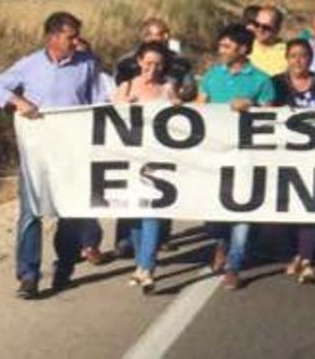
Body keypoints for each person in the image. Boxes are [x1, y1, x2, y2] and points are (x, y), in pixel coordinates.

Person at [0, 12, 111, 299]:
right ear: (53, 37)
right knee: (31, 214)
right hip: (37, 154)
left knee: (70, 212)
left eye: (77, 36)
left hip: (73, 153)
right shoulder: (29, 65)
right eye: (71, 36)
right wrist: (18, 101)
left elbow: (97, 100)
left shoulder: (87, 65)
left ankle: (64, 267)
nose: (76, 41)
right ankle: (28, 275)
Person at [197, 23, 277, 290]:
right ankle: (221, 241)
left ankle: (234, 265)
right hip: (215, 156)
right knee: (216, 213)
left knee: (243, 210)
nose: (221, 50)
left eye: (227, 46)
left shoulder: (261, 80)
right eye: (220, 46)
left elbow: (271, 118)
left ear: (243, 49)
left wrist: (252, 106)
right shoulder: (211, 76)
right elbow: (200, 106)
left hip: (247, 156)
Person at [111, 17, 194, 259]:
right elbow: (113, 102)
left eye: (165, 34)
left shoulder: (179, 65)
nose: (162, 39)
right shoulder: (125, 64)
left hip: (160, 146)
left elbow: (189, 90)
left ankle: (156, 244)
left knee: (159, 195)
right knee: (129, 194)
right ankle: (125, 240)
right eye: (157, 35)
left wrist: (180, 98)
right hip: (131, 145)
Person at [111, 41, 181, 294]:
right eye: (148, 63)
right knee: (134, 215)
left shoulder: (167, 89)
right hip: (128, 160)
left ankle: (147, 267)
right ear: (139, 61)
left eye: (158, 64)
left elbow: (181, 118)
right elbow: (108, 119)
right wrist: (123, 106)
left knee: (152, 211)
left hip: (158, 162)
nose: (152, 69)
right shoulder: (125, 86)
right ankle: (140, 266)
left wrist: (177, 107)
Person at [272, 38, 315, 284]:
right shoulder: (276, 84)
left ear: (311, 58)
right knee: (286, 208)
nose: (298, 61)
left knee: (311, 205)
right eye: (293, 56)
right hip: (283, 156)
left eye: (303, 56)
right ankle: (294, 254)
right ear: (286, 58)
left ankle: (307, 258)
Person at [248, 5, 289, 76]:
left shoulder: (288, 53)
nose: (260, 30)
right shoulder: (243, 46)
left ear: (277, 29)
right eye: (256, 24)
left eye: (266, 27)